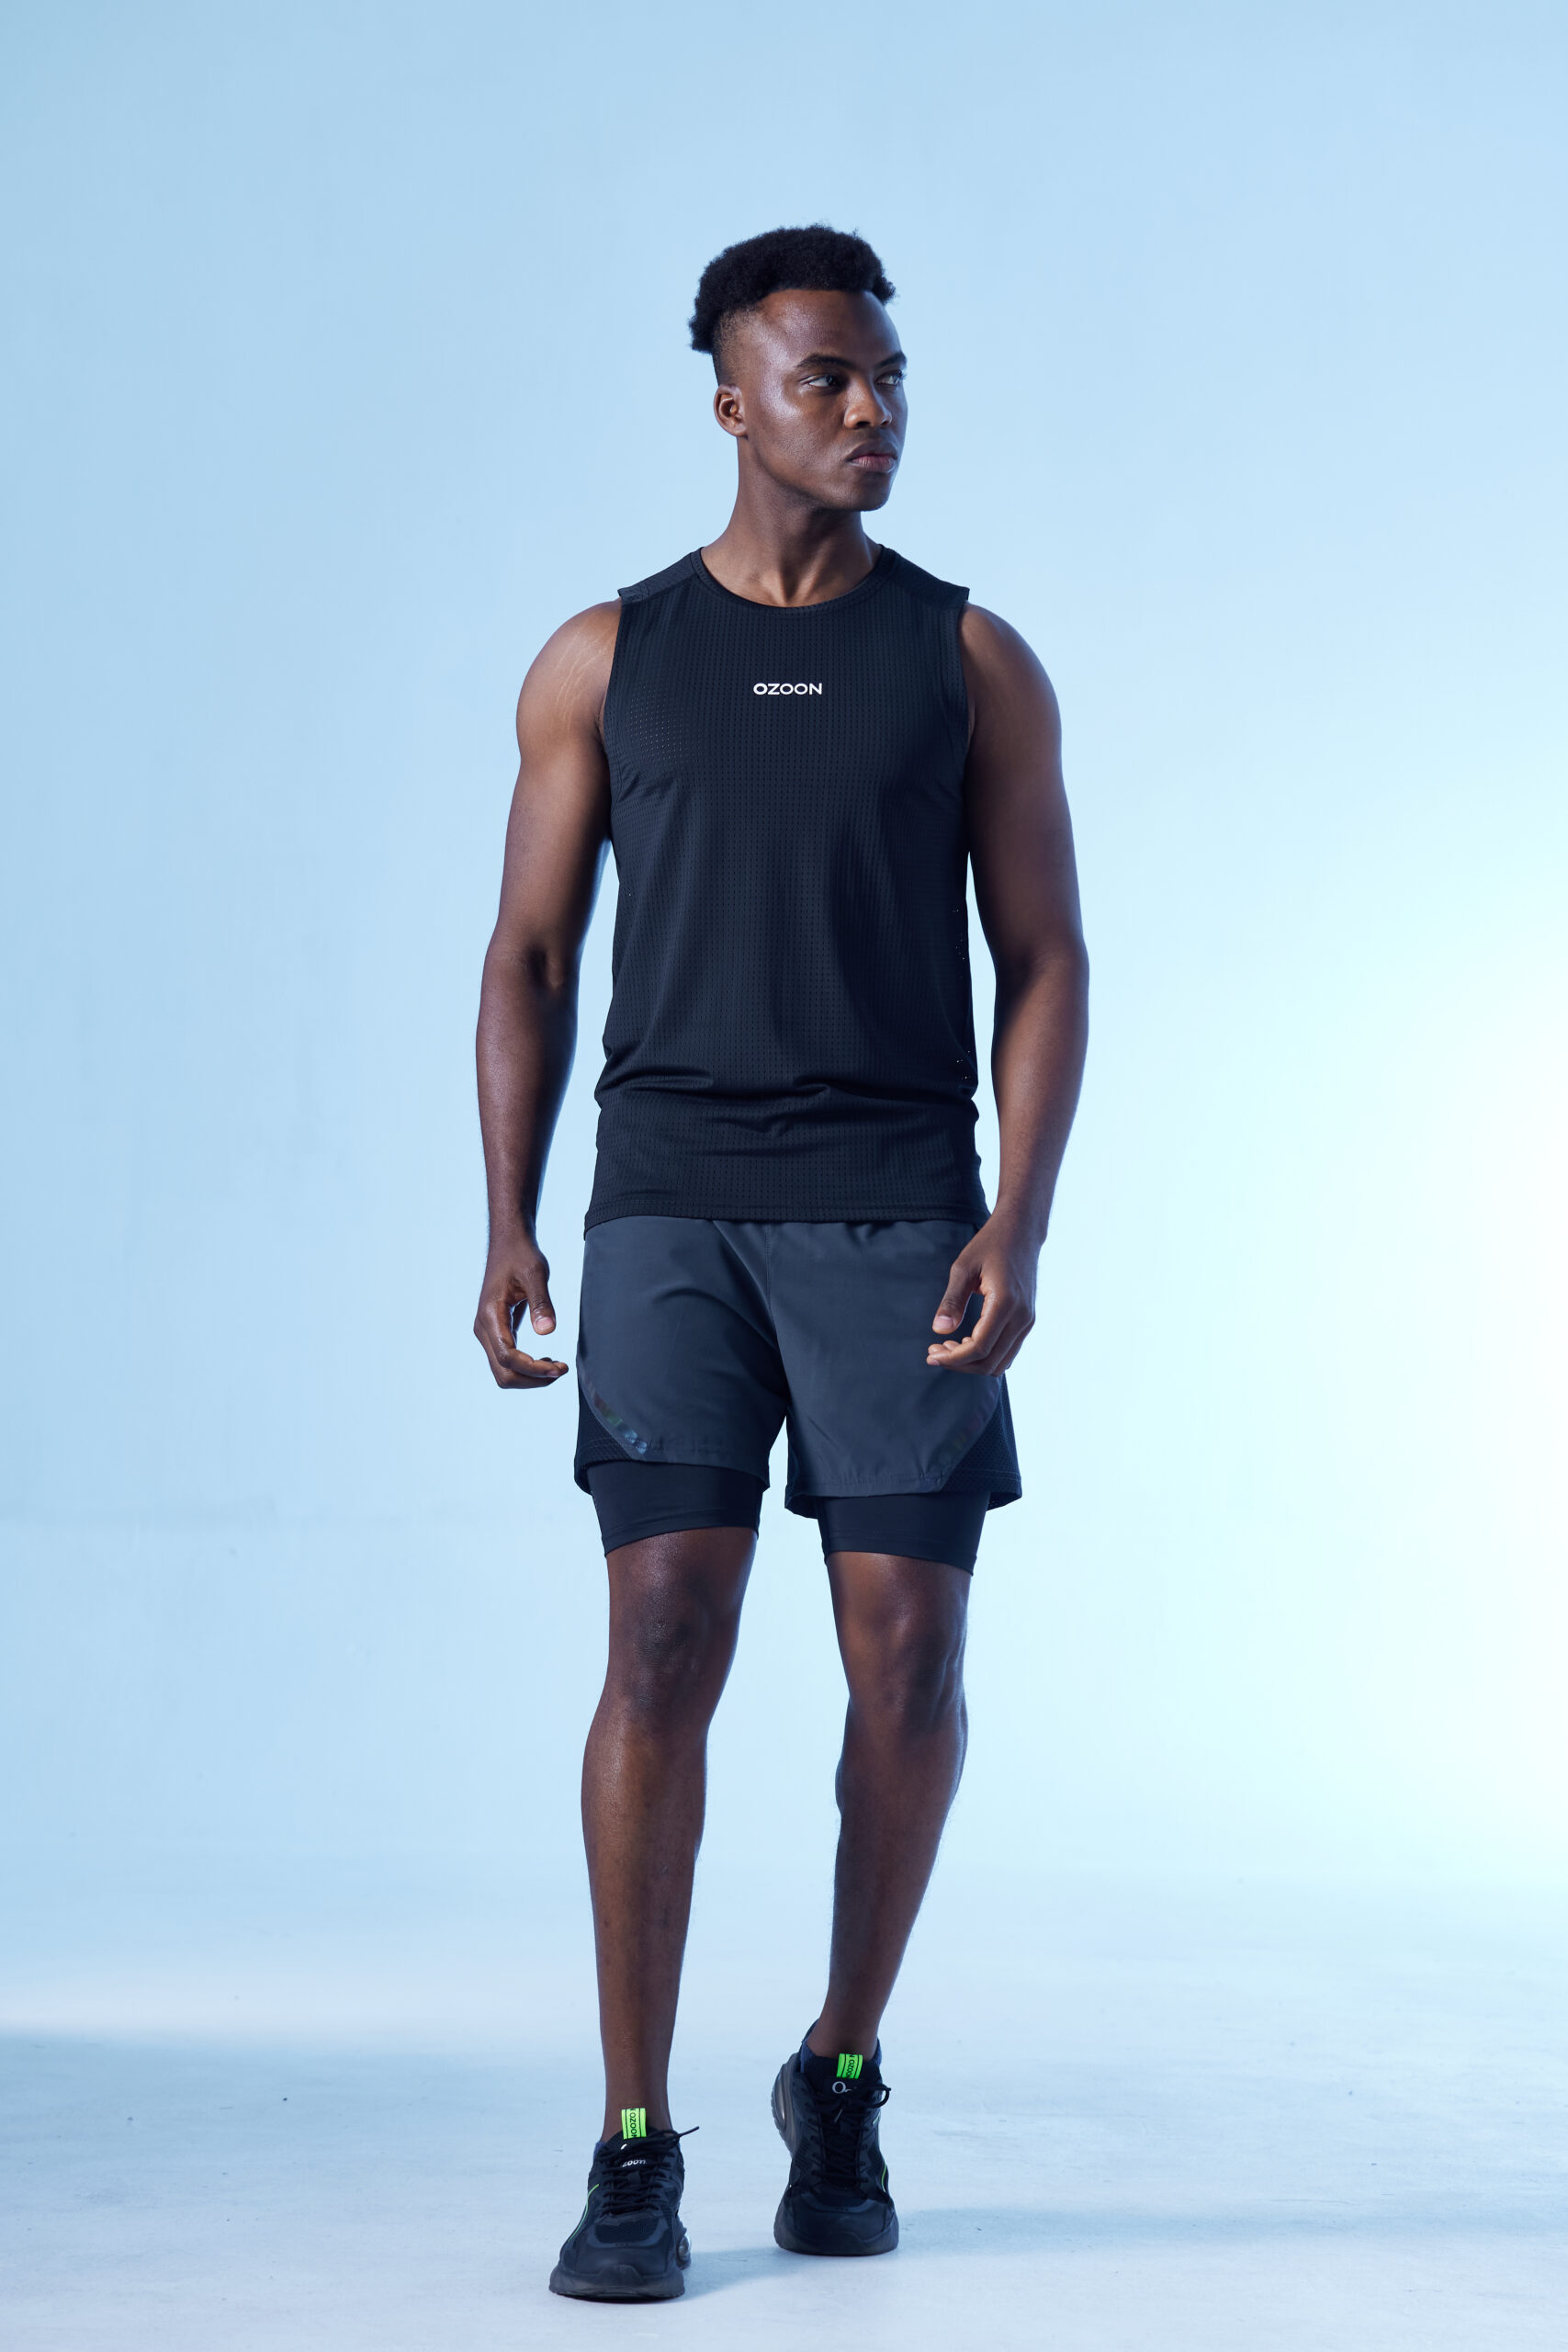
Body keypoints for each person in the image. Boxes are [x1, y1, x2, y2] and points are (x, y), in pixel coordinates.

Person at [474, 223, 1089, 2302]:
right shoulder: (606, 656)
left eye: (887, 376)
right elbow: (529, 954)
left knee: (906, 1661)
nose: (870, 408)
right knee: (661, 1636)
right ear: (732, 400)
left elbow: (1047, 955)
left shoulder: (966, 658)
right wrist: (508, 1214)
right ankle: (634, 2138)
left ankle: (838, 2065)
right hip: (667, 1203)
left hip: (900, 1207)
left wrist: (1018, 1213)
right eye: (826, 377)